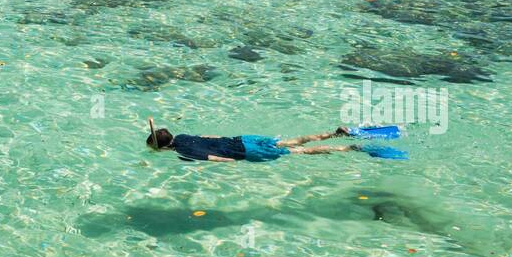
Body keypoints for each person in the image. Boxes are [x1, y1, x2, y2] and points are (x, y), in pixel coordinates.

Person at [145, 118, 356, 162]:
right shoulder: (182, 137)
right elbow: (212, 137)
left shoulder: (185, 153)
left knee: (298, 151)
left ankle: (344, 148)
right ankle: (336, 133)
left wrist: (233, 166)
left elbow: (219, 160)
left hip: (244, 153)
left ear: (161, 148)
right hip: (241, 139)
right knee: (292, 141)